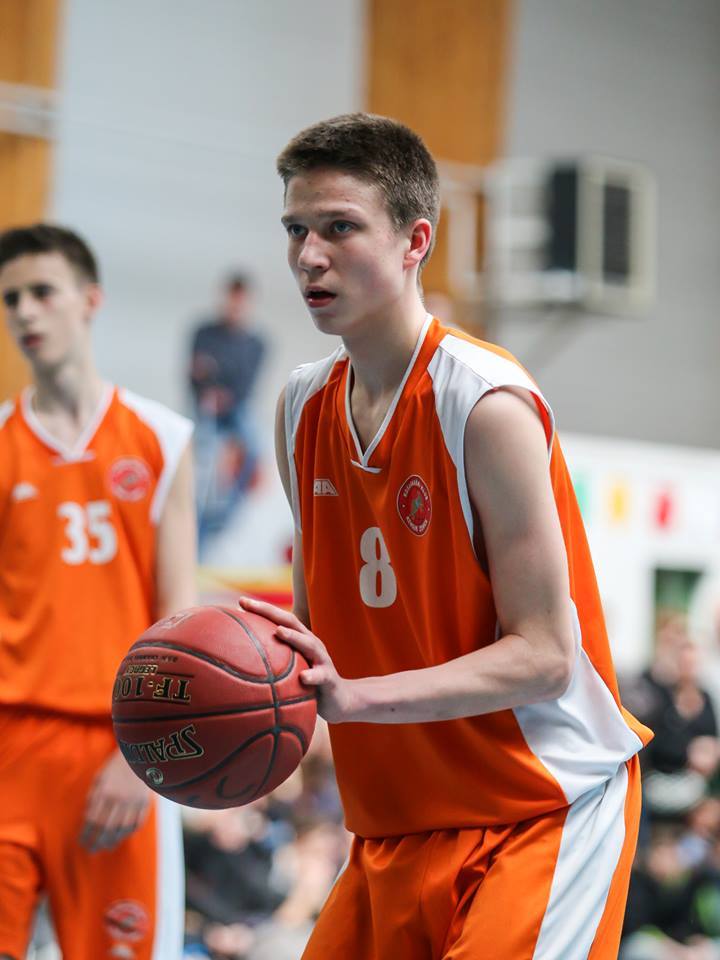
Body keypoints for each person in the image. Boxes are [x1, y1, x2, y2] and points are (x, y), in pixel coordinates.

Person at [238, 112, 654, 959]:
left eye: (339, 228)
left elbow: (546, 656)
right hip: (396, 823)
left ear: (414, 242)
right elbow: (315, 639)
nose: (309, 256)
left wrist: (357, 699)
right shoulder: (299, 408)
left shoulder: (486, 403)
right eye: (295, 230)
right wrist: (238, 702)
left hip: (538, 810)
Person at [0, 224, 196, 960]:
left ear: (89, 299)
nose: (25, 311)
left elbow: (179, 619)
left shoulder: (161, 438)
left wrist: (145, 755)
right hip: (9, 746)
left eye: (42, 292)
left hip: (117, 747)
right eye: (11, 298)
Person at [189, 273, 265, 552]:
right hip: (207, 407)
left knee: (254, 450)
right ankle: (198, 525)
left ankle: (223, 517)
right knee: (204, 468)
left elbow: (246, 384)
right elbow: (196, 375)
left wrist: (216, 375)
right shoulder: (204, 332)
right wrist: (212, 384)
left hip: (236, 409)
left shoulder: (256, 343)